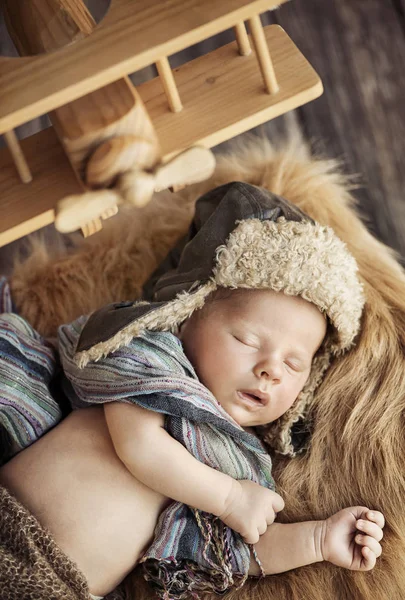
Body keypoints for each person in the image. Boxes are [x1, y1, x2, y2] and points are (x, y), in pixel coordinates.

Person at [0, 182, 384, 600]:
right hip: (11, 525)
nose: (271, 369)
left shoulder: (237, 461)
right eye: (247, 340)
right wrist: (230, 498)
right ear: (187, 317)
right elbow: (139, 446)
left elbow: (234, 553)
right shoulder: (153, 359)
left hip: (63, 588)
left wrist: (319, 540)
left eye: (294, 364)